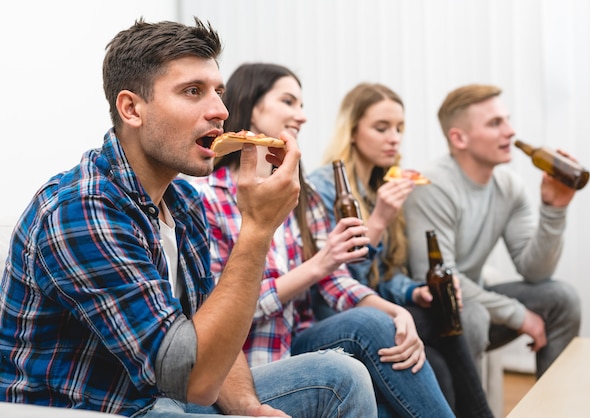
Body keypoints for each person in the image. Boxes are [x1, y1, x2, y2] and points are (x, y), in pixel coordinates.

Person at [0, 18, 378, 418]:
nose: (220, 111)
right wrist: (258, 230)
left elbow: (206, 330)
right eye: (193, 92)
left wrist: (250, 409)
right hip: (90, 408)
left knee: (340, 375)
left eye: (219, 92)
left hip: (162, 396)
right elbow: (192, 377)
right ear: (131, 109)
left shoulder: (183, 203)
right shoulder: (81, 209)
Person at [189, 63, 455, 418]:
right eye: (289, 102)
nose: (302, 116)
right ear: (252, 106)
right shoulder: (205, 197)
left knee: (386, 325)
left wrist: (395, 310)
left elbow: (334, 280)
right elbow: (225, 311)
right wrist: (319, 264)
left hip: (297, 344)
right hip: (244, 365)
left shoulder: (305, 196)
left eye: (301, 105)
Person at [308, 82, 493, 418]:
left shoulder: (385, 183)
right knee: (441, 324)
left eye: (399, 128)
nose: (394, 138)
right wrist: (377, 220)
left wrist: (414, 291)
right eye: (381, 128)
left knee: (435, 357)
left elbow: (386, 274)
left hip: (379, 307)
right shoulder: (324, 188)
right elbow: (339, 281)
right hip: (339, 316)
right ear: (352, 131)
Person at [403, 83, 582, 379]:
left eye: (507, 120)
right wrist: (519, 315)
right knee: (472, 316)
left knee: (562, 298)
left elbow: (535, 272)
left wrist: (554, 209)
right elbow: (440, 281)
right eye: (495, 123)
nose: (510, 131)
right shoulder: (433, 185)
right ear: (459, 138)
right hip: (426, 309)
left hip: (470, 300)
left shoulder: (508, 186)